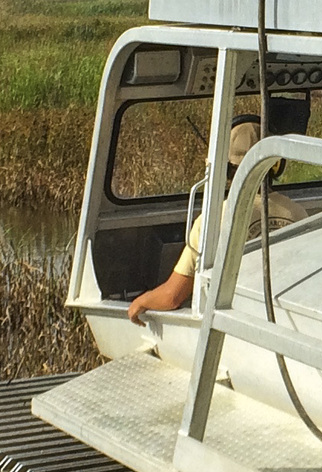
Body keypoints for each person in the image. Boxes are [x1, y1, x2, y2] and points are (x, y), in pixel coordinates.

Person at [127, 115, 306, 321]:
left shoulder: (211, 222)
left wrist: (141, 301)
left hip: (235, 322)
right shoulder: (298, 213)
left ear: (226, 168)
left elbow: (172, 297)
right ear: (275, 165)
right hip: (288, 320)